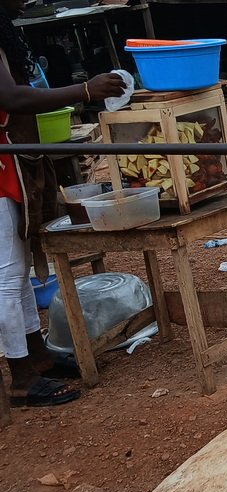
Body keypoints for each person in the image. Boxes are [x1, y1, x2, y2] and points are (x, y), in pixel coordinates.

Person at [0, 0, 124, 406]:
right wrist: (85, 90)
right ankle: (19, 376)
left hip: (10, 164)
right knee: (6, 276)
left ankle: (34, 357)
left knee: (17, 270)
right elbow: (11, 98)